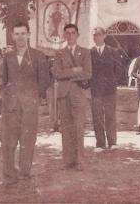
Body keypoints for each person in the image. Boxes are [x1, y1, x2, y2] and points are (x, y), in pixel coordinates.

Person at [0, 22, 49, 187]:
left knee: (27, 140)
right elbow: (1, 79)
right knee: (8, 141)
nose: (20, 37)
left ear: (28, 34)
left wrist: (35, 97)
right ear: (13, 36)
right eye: (17, 34)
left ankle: (24, 172)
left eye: (23, 33)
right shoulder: (7, 57)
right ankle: (9, 174)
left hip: (29, 106)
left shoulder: (38, 55)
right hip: (11, 106)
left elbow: (44, 80)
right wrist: (5, 95)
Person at [53, 23, 92, 171]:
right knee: (66, 128)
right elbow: (56, 73)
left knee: (79, 127)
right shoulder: (59, 53)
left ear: (77, 35)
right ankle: (67, 160)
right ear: (64, 35)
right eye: (67, 33)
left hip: (79, 94)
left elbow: (88, 73)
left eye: (73, 33)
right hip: (64, 94)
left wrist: (67, 73)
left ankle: (80, 161)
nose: (70, 36)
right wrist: (75, 70)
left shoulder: (85, 52)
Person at [90, 27, 121, 152]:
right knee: (97, 116)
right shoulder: (90, 52)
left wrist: (113, 82)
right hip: (96, 90)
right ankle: (100, 143)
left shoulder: (113, 51)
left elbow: (119, 69)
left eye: (98, 35)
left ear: (104, 36)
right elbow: (88, 70)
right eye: (94, 35)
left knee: (110, 116)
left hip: (109, 90)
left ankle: (112, 142)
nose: (96, 37)